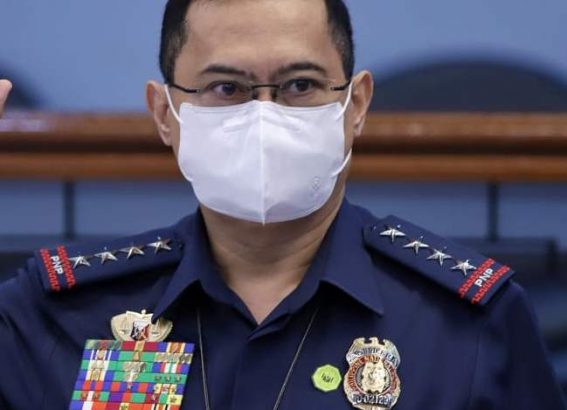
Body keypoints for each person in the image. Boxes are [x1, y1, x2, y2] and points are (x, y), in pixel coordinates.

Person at [0, 1, 565, 409]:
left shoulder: (467, 323)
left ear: (355, 106)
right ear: (165, 114)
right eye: (226, 88)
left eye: (300, 85)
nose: (264, 117)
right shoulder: (60, 315)